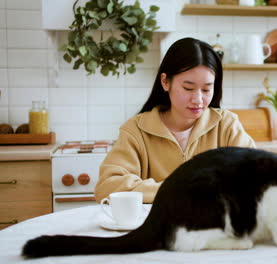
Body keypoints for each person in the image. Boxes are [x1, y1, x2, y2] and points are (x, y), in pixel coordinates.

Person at [94, 38, 256, 203]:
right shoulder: (136, 130)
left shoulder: (226, 125)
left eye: (207, 89)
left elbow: (256, 177)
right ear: (165, 82)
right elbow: (108, 186)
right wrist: (178, 190)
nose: (198, 100)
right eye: (188, 88)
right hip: (157, 227)